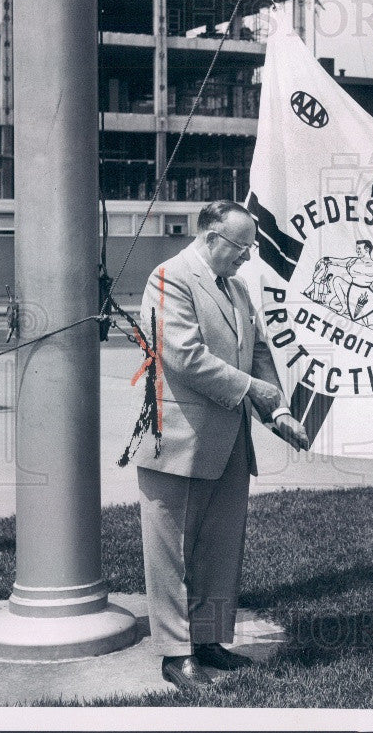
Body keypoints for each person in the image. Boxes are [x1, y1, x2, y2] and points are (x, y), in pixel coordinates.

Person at [132, 200, 309, 690]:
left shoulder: (234, 286)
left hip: (230, 439)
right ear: (210, 237)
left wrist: (277, 410)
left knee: (218, 548)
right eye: (241, 247)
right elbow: (184, 356)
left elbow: (256, 348)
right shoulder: (168, 278)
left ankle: (208, 640)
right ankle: (174, 654)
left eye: (250, 248)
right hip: (178, 438)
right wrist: (253, 391)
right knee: (171, 552)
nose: (247, 257)